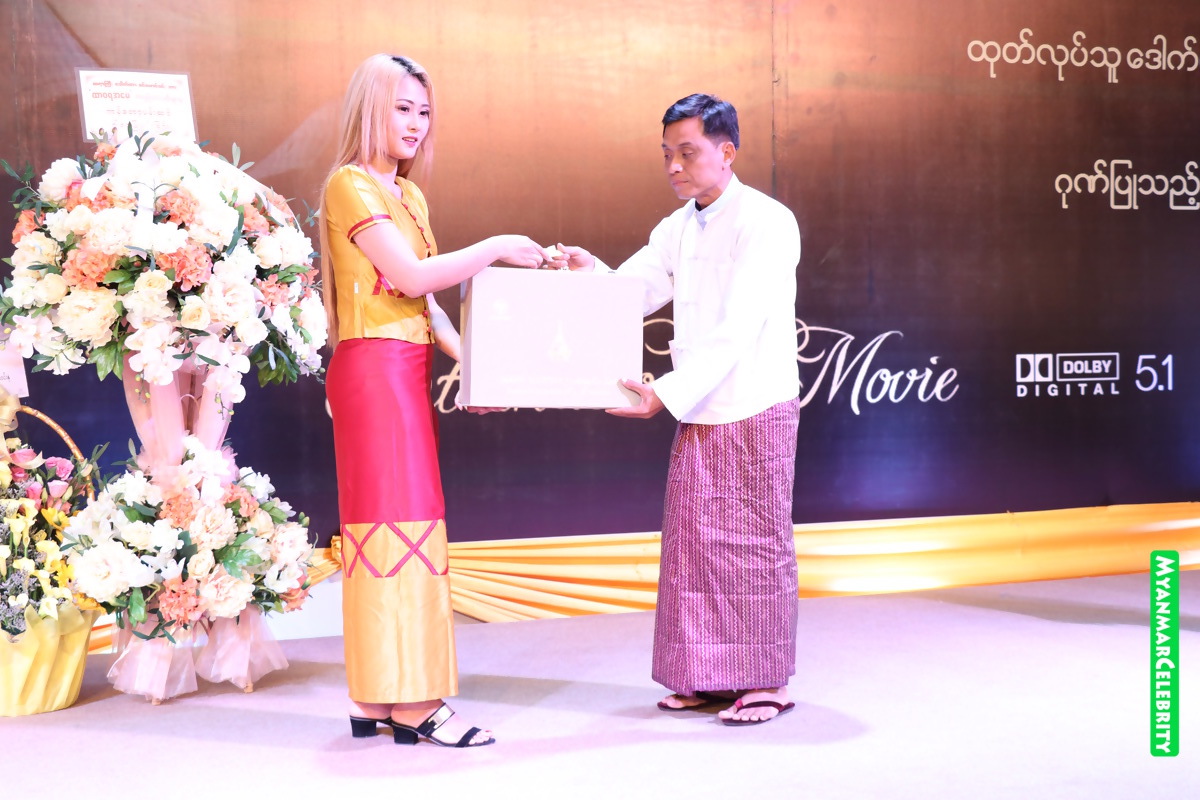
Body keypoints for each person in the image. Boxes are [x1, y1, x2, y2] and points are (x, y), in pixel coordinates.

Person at [320, 53, 553, 748]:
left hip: (400, 371)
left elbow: (427, 305)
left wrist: (478, 369)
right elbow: (413, 276)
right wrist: (498, 245)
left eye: (424, 111)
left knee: (389, 532)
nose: (416, 123)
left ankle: (376, 695)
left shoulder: (408, 196)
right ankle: (417, 703)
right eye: (402, 108)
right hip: (374, 373)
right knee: (400, 530)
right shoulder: (349, 185)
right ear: (371, 108)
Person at [557, 94, 802, 725]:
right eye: (667, 154)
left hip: (756, 401)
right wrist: (589, 273)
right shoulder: (678, 226)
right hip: (700, 406)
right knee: (694, 545)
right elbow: (634, 290)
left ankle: (765, 682)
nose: (674, 166)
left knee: (754, 546)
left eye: (687, 153)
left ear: (727, 151)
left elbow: (739, 326)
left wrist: (665, 393)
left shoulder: (768, 221)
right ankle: (705, 677)